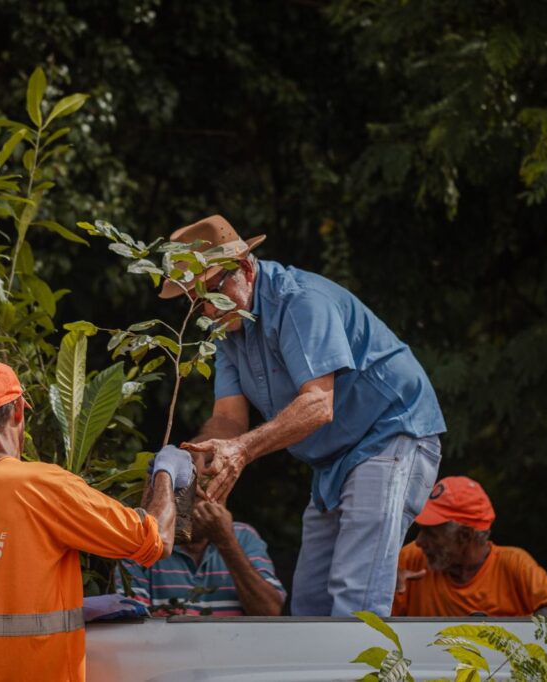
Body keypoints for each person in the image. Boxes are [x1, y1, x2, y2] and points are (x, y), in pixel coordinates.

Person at [164, 215, 446, 617]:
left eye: (213, 291)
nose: (208, 310)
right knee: (310, 604)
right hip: (332, 462)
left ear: (244, 268)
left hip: (390, 434)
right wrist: (198, 457)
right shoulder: (227, 328)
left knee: (355, 596)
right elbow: (228, 418)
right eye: (197, 302)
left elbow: (318, 404)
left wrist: (240, 452)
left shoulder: (300, 302)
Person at [0, 361, 194, 682]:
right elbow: (156, 539)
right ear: (19, 411)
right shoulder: (39, 484)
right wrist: (167, 471)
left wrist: (68, 602)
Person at [391, 476, 547, 618]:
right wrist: (385, 586)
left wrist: (497, 631)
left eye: (431, 533)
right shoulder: (412, 560)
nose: (419, 541)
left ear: (465, 535)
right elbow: (373, 625)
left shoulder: (513, 564)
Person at [120, 500, 286, 616]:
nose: (205, 507)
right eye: (196, 495)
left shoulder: (243, 537)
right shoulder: (144, 544)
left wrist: (226, 542)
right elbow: (134, 626)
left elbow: (270, 611)